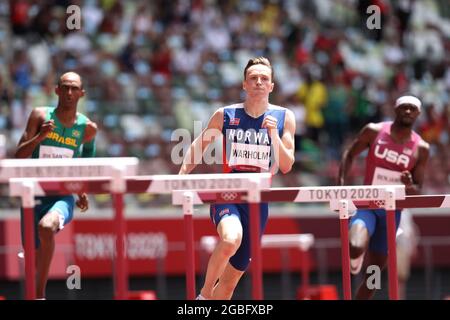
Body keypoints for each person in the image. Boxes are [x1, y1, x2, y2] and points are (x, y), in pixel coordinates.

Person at [179, 57, 296, 300]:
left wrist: (273, 134)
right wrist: (180, 178)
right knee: (231, 239)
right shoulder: (225, 115)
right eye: (253, 78)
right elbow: (199, 146)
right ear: (244, 84)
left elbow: (286, 165)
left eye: (264, 78)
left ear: (272, 86)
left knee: (230, 284)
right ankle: (203, 295)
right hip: (228, 192)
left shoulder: (285, 117)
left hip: (258, 201)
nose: (258, 82)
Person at [15, 71, 97, 299]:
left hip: (61, 196)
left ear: (82, 93)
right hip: (31, 196)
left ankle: (40, 296)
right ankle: (34, 293)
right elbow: (18, 157)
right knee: (32, 261)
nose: (69, 93)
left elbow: (87, 167)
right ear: (56, 90)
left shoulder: (88, 128)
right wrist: (40, 137)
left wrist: (82, 191)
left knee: (46, 227)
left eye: (74, 88)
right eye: (65, 87)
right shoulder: (40, 116)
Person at [338, 95, 429, 299]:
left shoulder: (421, 148)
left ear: (418, 114)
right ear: (395, 110)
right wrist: (340, 188)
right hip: (367, 205)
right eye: (403, 107)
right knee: (355, 245)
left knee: (375, 275)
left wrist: (408, 184)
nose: (407, 111)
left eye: (412, 109)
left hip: (391, 213)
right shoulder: (375, 131)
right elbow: (349, 154)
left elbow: (417, 189)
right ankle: (355, 259)